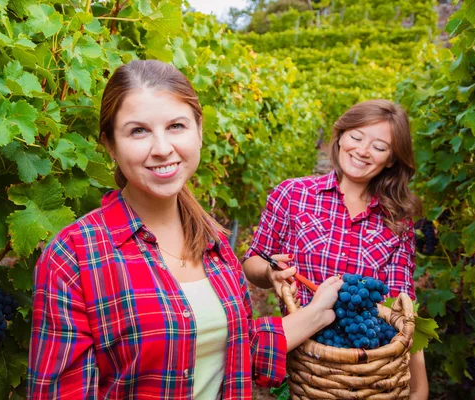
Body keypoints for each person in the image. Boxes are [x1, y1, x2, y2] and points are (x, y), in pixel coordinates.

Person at [26, 59, 343, 399]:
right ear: (109, 145)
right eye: (138, 131)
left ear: (199, 130)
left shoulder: (214, 241)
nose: (162, 149)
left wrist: (316, 311)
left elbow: (234, 350)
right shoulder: (73, 256)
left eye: (176, 126)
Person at [242, 99, 429, 399]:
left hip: (362, 374)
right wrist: (269, 271)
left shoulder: (397, 221)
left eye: (380, 147)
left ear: (392, 159)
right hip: (302, 365)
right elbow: (253, 262)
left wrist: (419, 387)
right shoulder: (292, 195)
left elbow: (401, 307)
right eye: (356, 137)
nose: (363, 151)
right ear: (341, 136)